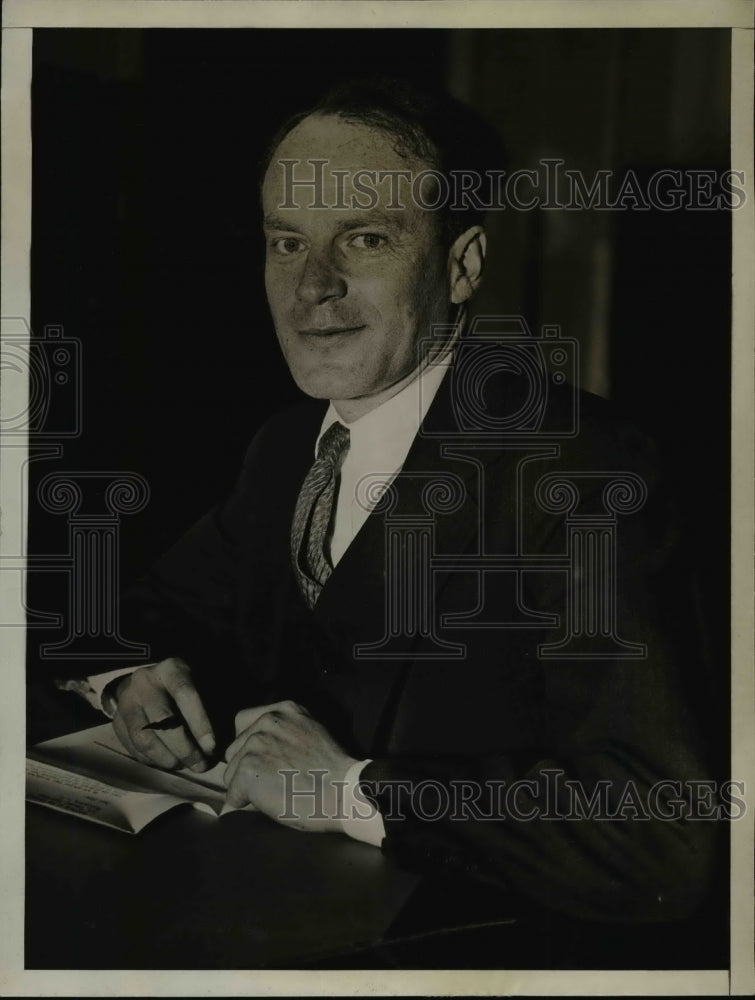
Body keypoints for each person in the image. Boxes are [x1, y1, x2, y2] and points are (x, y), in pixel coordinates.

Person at [71, 77, 715, 926]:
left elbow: (659, 835)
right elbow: (146, 611)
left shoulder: (582, 469)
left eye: (365, 239)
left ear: (461, 265)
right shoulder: (285, 448)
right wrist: (128, 677)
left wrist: (348, 789)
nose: (312, 287)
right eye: (286, 242)